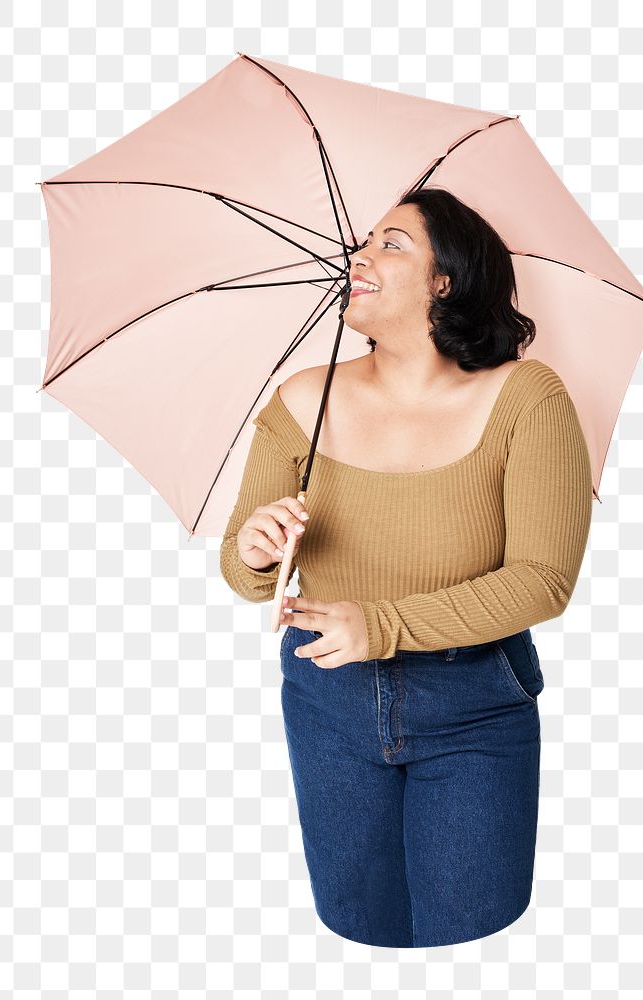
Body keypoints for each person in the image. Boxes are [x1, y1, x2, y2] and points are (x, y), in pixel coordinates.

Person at [220, 187, 594, 948]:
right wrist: (257, 550)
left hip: (472, 700)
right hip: (325, 700)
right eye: (362, 242)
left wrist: (384, 624)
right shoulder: (300, 400)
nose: (359, 255)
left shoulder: (526, 397)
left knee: (472, 936)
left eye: (389, 243)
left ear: (444, 280)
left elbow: (541, 580)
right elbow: (243, 567)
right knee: (359, 937)